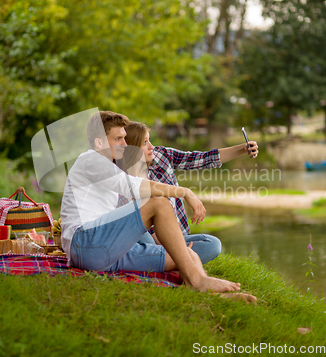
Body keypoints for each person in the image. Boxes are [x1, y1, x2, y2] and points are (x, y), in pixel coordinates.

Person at [60, 111, 243, 294]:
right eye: (118, 139)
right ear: (99, 142)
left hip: (108, 254)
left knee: (188, 255)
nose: (125, 144)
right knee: (159, 203)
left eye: (125, 138)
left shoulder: (112, 167)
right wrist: (185, 192)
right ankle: (197, 281)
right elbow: (131, 186)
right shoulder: (91, 160)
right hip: (86, 244)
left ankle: (207, 291)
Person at [117, 121, 258, 264]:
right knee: (143, 238)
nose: (151, 147)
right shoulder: (120, 177)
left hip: (176, 239)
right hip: (146, 241)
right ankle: (179, 260)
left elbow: (202, 159)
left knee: (212, 244)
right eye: (145, 142)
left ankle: (170, 260)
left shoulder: (161, 156)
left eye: (149, 140)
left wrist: (244, 148)